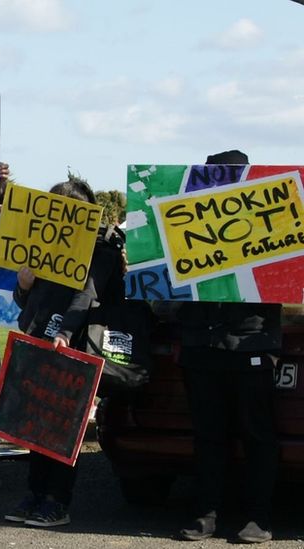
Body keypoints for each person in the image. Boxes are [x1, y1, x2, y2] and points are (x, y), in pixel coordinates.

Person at [4, 178, 120, 527]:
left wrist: (67, 333)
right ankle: (35, 493)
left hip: (75, 347)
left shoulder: (102, 251)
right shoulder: (43, 247)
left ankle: (57, 500)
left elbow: (87, 296)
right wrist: (23, 286)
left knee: (64, 428)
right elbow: (27, 300)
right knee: (35, 425)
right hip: (39, 341)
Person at [177, 150, 279, 545]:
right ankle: (206, 514)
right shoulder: (189, 225)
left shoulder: (270, 225)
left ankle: (259, 518)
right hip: (201, 345)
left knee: (257, 435)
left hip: (250, 344)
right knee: (208, 436)